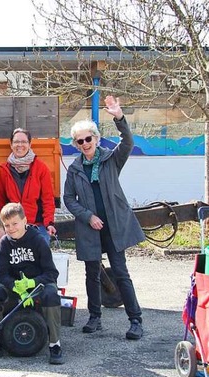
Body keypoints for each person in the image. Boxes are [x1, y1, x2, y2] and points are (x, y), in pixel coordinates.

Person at [63, 95, 144, 340]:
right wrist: (87, 217)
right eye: (80, 141)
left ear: (96, 139)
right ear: (76, 145)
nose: (85, 143)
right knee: (92, 274)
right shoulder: (75, 169)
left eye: (89, 138)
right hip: (91, 229)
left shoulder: (111, 159)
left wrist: (119, 117)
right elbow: (68, 199)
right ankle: (95, 318)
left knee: (120, 272)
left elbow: (128, 142)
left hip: (114, 226)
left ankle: (136, 320)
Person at [0, 203, 63, 364]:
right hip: (15, 286)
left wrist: (31, 283)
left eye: (15, 223)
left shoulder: (38, 240)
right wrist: (15, 286)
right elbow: (1, 273)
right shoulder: (5, 243)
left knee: (51, 295)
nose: (11, 228)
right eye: (7, 225)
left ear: (24, 221)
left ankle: (54, 345)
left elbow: (52, 273)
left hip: (39, 284)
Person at [0, 128, 56, 244]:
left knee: (40, 259)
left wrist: (49, 223)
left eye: (24, 142)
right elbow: (0, 201)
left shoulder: (41, 168)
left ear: (30, 144)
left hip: (36, 225)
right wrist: (0, 225)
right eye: (16, 142)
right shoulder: (4, 170)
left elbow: (48, 199)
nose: (20, 145)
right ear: (11, 144)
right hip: (12, 226)